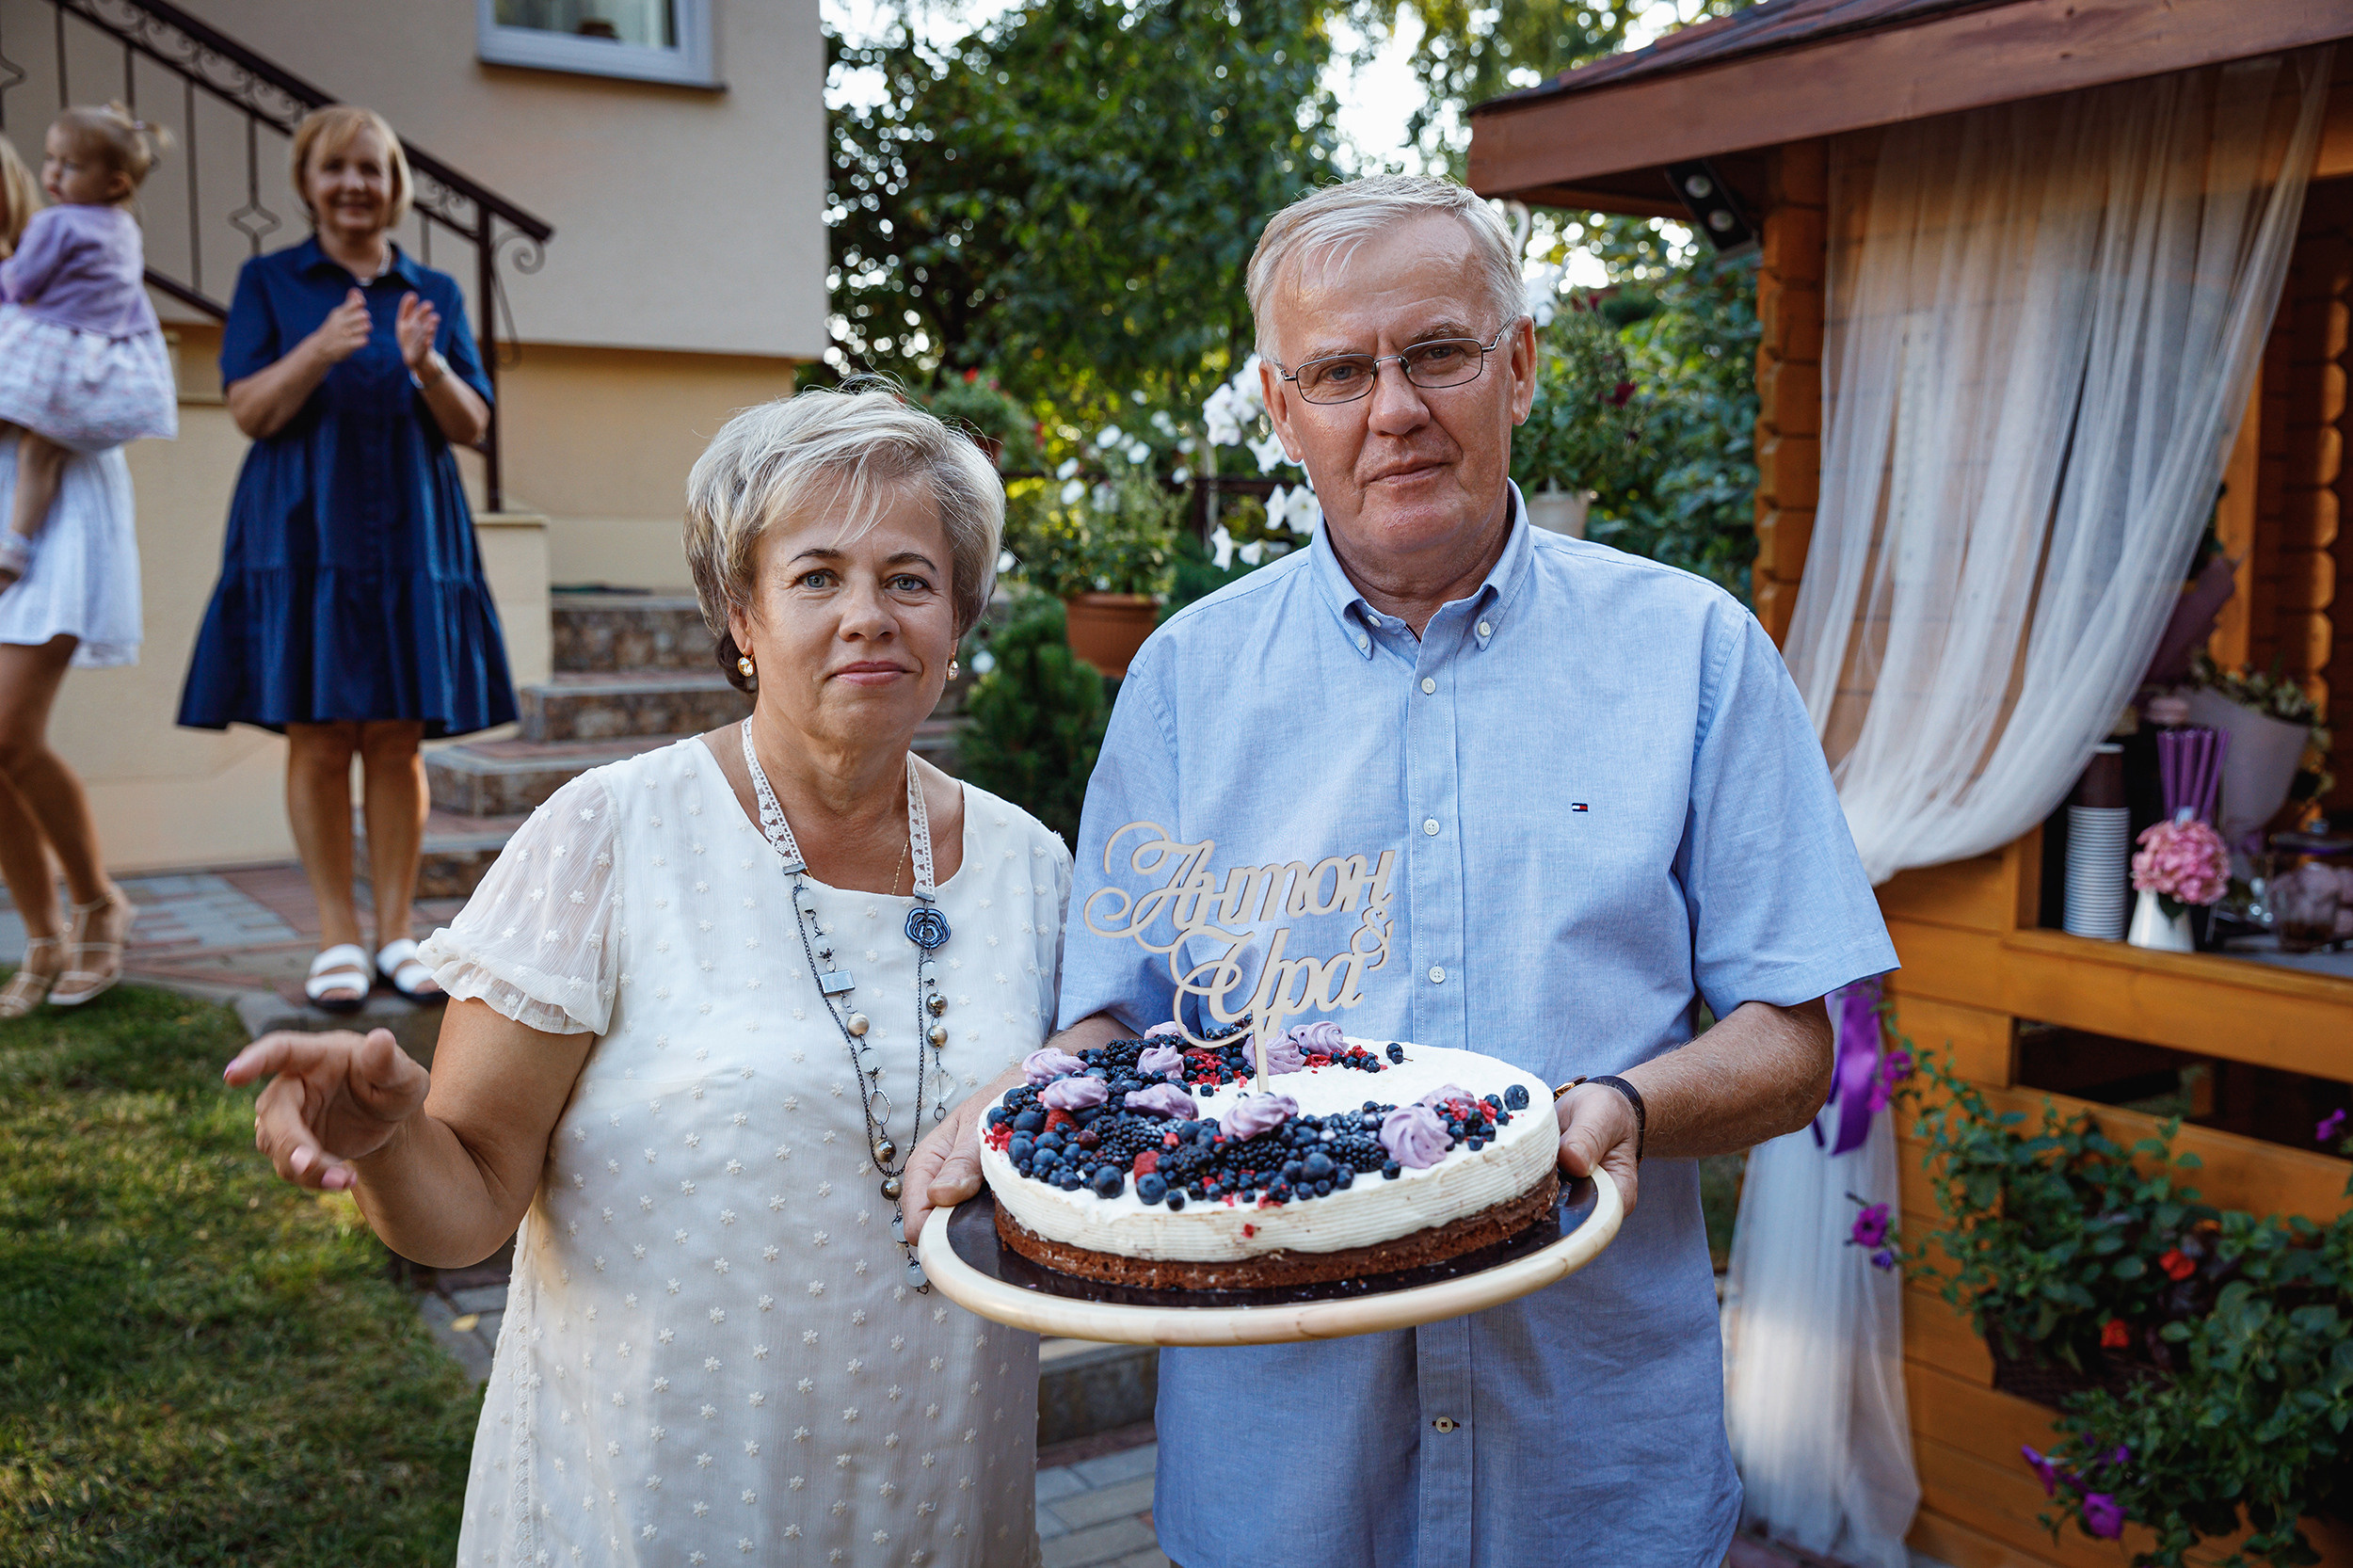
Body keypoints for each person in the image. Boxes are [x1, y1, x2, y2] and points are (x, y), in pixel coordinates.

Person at [908, 176, 1899, 1567]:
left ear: (1521, 364)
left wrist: (1622, 1101)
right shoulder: (1185, 683)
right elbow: (1117, 1026)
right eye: (1338, 370)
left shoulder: (1697, 654)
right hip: (1281, 1488)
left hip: (1597, 1477)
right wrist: (1016, 1112)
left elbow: (1798, 1033)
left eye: (1437, 351)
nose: (1394, 409)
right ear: (1279, 408)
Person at [225, 387, 1072, 1565]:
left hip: (937, 1496)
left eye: (909, 579)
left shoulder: (1033, 868)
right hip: (658, 1499)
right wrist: (383, 1135)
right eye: (817, 576)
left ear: (958, 613)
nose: (868, 615)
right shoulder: (608, 835)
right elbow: (463, 1205)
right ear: (742, 614)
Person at [177, 104, 514, 1014]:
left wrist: (428, 367)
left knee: (398, 732)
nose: (354, 184)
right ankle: (335, 935)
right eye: (336, 168)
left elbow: (473, 425)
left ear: (394, 185)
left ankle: (398, 934)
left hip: (410, 525)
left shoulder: (434, 291)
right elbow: (250, 409)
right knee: (321, 731)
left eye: (372, 168)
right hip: (302, 528)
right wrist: (319, 349)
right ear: (308, 183)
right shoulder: (270, 282)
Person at [0, 115, 165, 1016]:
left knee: (9, 733)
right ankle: (41, 936)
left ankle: (101, 902)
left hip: (56, 510)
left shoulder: (72, 262)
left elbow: (95, 391)